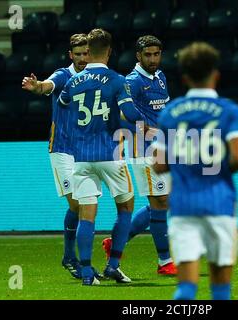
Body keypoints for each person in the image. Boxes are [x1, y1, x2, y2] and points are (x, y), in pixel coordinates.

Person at [152, 42, 238, 300]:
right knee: (221, 289)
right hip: (220, 203)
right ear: (216, 74)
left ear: (184, 78)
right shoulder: (230, 111)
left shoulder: (170, 113)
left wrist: (186, 164)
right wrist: (214, 167)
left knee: (185, 288)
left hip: (183, 205)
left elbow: (159, 164)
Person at [58, 28, 145, 286]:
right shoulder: (118, 80)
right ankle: (113, 266)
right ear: (108, 51)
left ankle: (86, 272)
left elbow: (62, 103)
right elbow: (130, 113)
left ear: (89, 51)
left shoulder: (72, 82)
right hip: (110, 154)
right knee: (126, 207)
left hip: (81, 158)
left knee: (87, 214)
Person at [21, 34, 102, 279]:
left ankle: (76, 259)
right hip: (62, 149)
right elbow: (48, 85)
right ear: (70, 55)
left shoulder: (97, 78)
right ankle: (70, 256)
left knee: (87, 205)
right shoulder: (63, 75)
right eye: (77, 54)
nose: (82, 59)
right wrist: (37, 87)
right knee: (77, 204)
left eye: (86, 53)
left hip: (86, 150)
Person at [102, 35, 176, 275]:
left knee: (164, 201)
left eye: (156, 54)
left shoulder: (160, 77)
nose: (153, 59)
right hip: (142, 149)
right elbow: (119, 113)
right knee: (160, 202)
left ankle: (115, 243)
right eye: (148, 55)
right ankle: (165, 262)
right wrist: (141, 129)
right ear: (138, 56)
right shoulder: (131, 82)